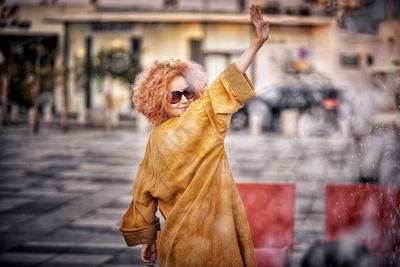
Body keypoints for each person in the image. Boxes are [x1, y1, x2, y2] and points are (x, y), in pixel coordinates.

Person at [119, 5, 270, 267]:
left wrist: (149, 238)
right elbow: (226, 84)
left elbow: (143, 195)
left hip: (177, 246)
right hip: (215, 242)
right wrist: (256, 43)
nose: (184, 100)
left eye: (189, 92)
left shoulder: (156, 139)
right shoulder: (203, 119)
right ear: (158, 102)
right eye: (175, 95)